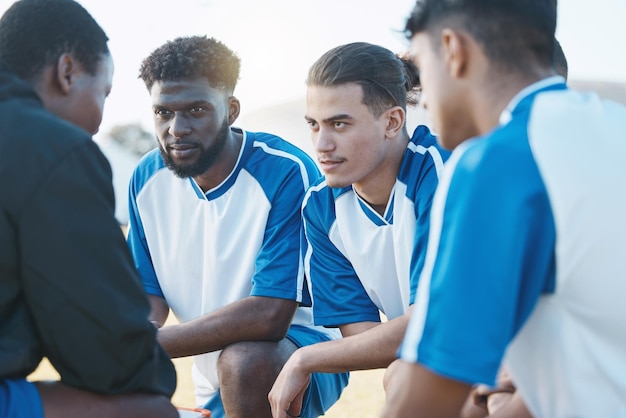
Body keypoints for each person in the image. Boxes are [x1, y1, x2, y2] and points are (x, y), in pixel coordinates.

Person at [382, 1, 626, 417]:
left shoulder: (498, 160)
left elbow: (426, 395)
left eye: (424, 67)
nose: (424, 99)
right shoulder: (613, 126)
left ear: (453, 50)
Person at [127, 35, 348, 418]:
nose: (177, 128)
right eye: (163, 113)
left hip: (295, 349)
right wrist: (130, 340)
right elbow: (148, 295)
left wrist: (151, 344)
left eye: (196, 110)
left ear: (230, 110)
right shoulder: (146, 177)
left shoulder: (285, 171)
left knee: (246, 361)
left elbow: (271, 313)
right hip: (213, 365)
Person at [0, 0, 178, 417]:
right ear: (67, 73)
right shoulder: (48, 147)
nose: (100, 119)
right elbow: (111, 360)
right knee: (148, 409)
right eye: (103, 92)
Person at [268, 42, 449, 418]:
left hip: (516, 352)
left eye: (339, 124)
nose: (322, 144)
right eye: (314, 125)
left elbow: (435, 324)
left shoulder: (439, 171)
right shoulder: (321, 208)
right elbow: (366, 341)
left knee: (408, 378)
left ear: (392, 122)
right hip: (440, 361)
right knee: (402, 374)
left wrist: (306, 358)